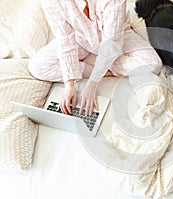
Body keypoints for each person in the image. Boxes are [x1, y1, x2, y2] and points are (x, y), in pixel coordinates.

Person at [28, 0, 162, 116]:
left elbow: (112, 43)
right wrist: (69, 85)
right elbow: (65, 39)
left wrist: (92, 84)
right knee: (37, 66)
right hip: (80, 40)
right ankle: (102, 66)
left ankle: (101, 64)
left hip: (117, 37)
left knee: (153, 63)